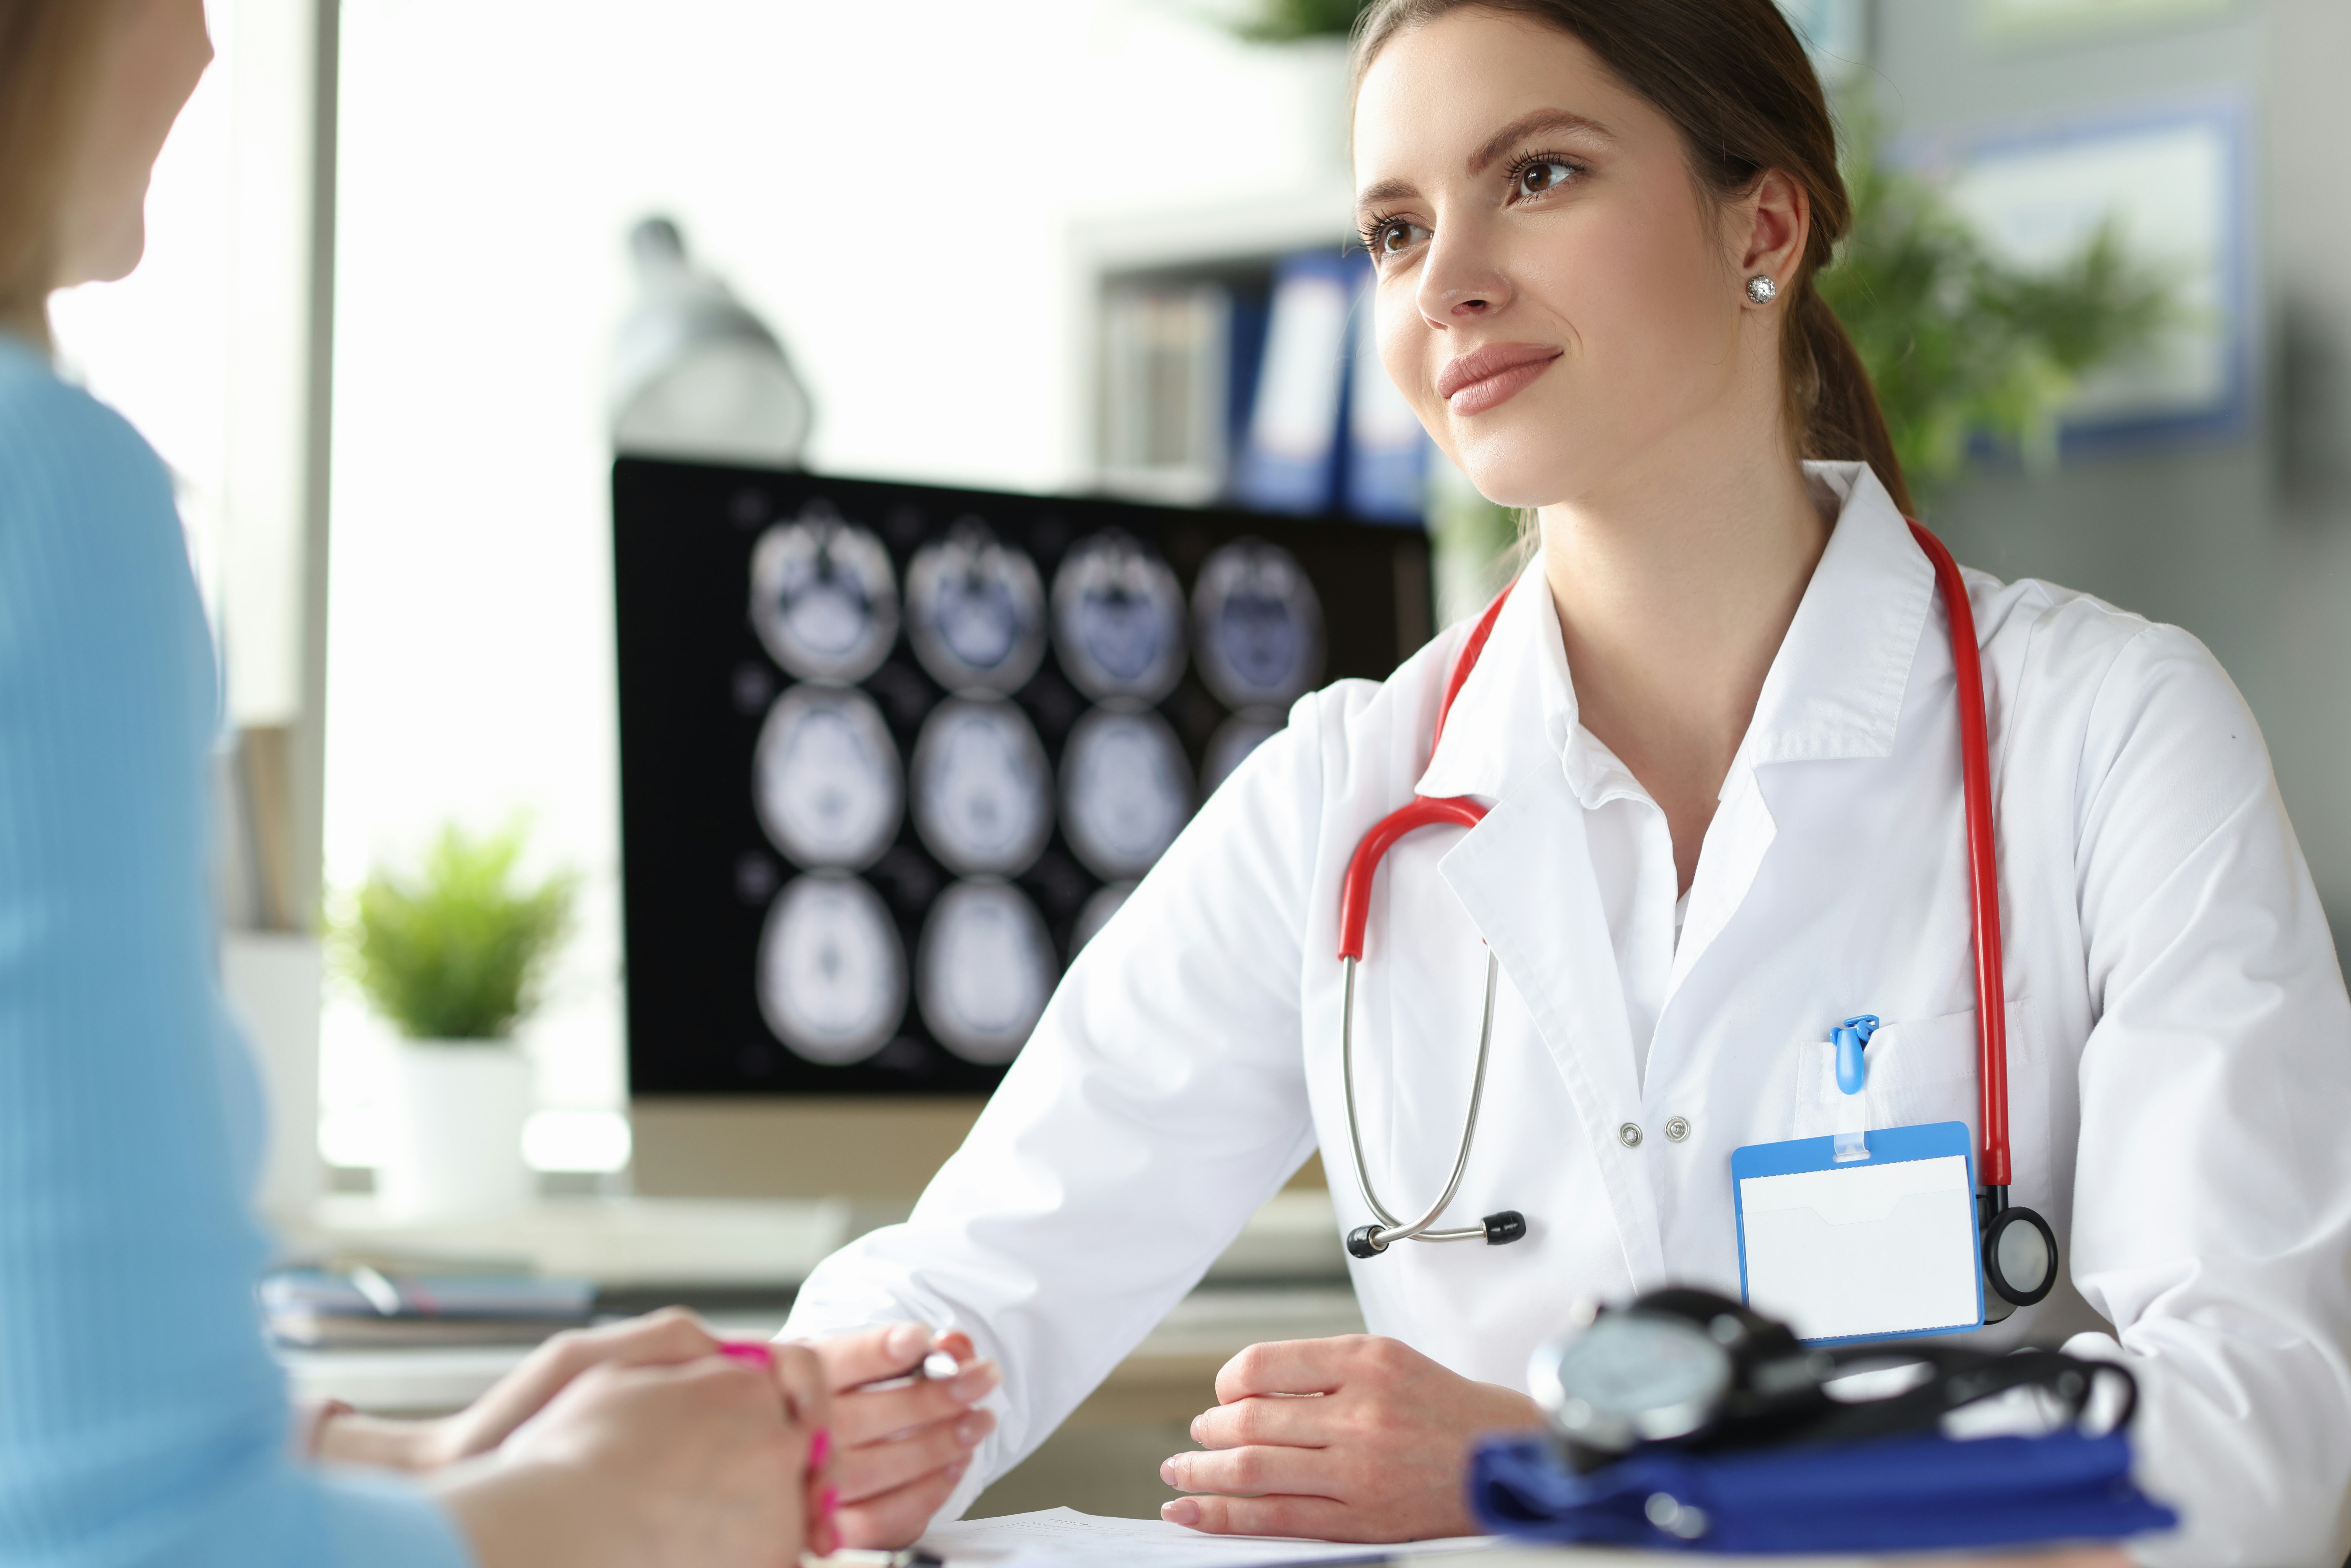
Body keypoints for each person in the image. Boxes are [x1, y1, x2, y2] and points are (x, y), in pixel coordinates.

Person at [782, 3, 2351, 1565]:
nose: (1447, 282)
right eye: (1396, 230)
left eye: (1536, 176)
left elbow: (2253, 1439)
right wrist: (827, 1418)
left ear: (1768, 222)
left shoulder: (2111, 734)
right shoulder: (1347, 795)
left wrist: (1569, 1463)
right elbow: (973, 1281)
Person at [0, 3, 836, 1563]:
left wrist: (396, 1456)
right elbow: (133, 1547)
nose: (198, 52)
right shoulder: (42, 492)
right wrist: (608, 1512)